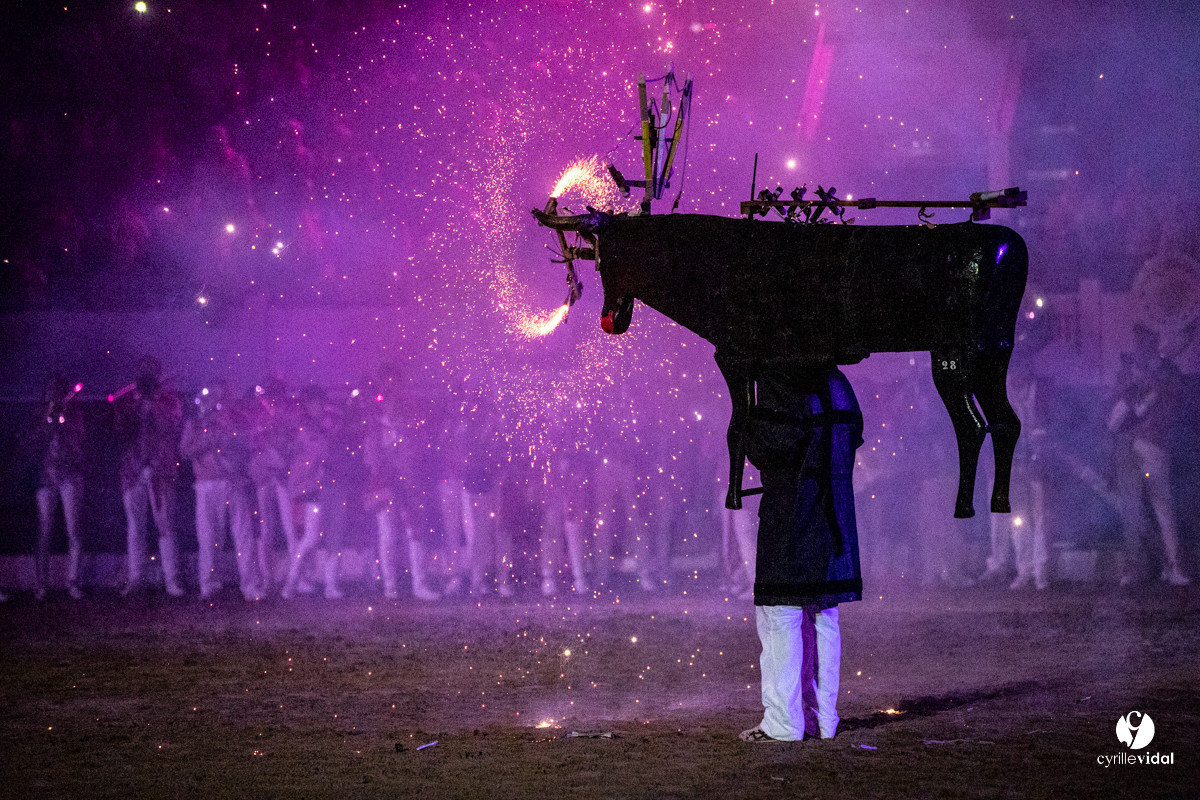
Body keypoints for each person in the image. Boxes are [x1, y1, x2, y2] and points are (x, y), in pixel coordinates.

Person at [738, 365, 863, 743]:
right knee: (823, 613)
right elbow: (853, 434)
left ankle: (784, 722)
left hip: (794, 511)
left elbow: (774, 445)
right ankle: (823, 719)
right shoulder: (838, 382)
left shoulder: (783, 380)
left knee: (781, 614)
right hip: (833, 511)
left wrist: (746, 421)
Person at [1109, 325, 1190, 586]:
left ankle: (1174, 568)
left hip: (1154, 445)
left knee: (1163, 509)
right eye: (1137, 342)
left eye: (1144, 341)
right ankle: (1133, 571)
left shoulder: (1168, 372)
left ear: (1154, 343)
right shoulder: (1128, 372)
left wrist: (1150, 381)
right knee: (1131, 511)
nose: (1139, 346)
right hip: (1128, 445)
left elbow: (1174, 401)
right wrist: (1131, 383)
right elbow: (1114, 404)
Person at [180, 383, 264, 601]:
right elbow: (184, 452)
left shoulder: (233, 418)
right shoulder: (195, 423)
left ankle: (250, 586)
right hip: (206, 484)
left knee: (243, 535)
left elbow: (245, 445)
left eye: (220, 395)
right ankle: (209, 585)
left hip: (233, 482)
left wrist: (227, 435)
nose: (215, 400)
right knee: (208, 536)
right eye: (211, 396)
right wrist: (207, 440)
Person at [115, 358, 185, 597]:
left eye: (151, 373)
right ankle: (136, 578)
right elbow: (121, 431)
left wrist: (152, 401)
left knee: (165, 525)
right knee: (135, 527)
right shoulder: (127, 401)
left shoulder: (170, 400)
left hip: (162, 469)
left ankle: (172, 580)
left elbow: (170, 427)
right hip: (132, 470)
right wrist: (137, 403)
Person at [363, 391, 440, 600]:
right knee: (387, 535)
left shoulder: (411, 427)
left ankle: (419, 584)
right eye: (388, 401)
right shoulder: (375, 430)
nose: (391, 405)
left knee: (415, 533)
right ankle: (390, 586)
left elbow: (420, 455)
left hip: (409, 486)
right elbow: (371, 460)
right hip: (386, 486)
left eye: (395, 400)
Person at [281, 386, 344, 599]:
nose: (316, 406)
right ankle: (290, 582)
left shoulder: (331, 422)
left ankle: (331, 586)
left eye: (319, 402)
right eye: (312, 403)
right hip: (313, 489)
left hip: (335, 485)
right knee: (311, 537)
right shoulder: (302, 429)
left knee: (335, 535)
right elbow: (311, 455)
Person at [28, 374, 87, 600]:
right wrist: (47, 419)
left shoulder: (74, 414)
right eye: (49, 390)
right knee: (44, 531)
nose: (53, 393)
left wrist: (64, 421)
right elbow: (33, 441)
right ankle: (41, 584)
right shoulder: (38, 414)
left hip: (70, 475)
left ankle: (72, 582)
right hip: (46, 476)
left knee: (74, 530)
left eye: (56, 390)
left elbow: (78, 444)